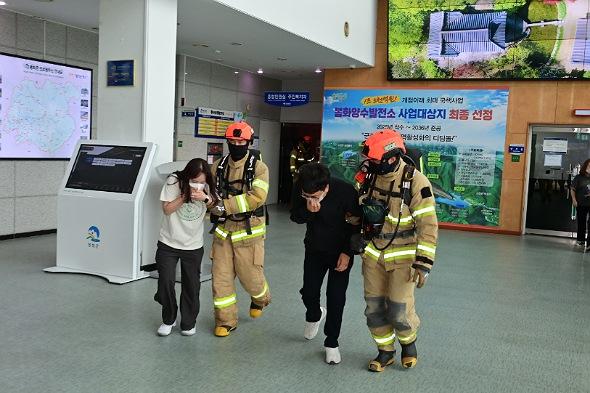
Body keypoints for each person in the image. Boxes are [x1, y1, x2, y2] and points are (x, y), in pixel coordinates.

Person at [354, 129, 438, 372]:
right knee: (374, 309)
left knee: (399, 309)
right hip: (373, 255)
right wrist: (356, 233)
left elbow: (428, 225)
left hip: (403, 258)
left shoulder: (416, 182)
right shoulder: (368, 177)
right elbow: (357, 208)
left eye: (374, 161)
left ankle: (408, 344)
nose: (368, 165)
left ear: (391, 158)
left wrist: (424, 262)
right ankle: (385, 351)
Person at [290, 163, 361, 365]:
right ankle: (314, 314)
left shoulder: (346, 191)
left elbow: (357, 225)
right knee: (309, 291)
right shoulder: (302, 188)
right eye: (307, 196)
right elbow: (295, 217)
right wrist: (308, 210)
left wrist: (348, 253)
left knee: (336, 297)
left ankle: (332, 342)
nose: (311, 199)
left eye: (315, 196)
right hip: (314, 248)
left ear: (326, 187)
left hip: (341, 251)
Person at [209, 121, 271, 337]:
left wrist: (224, 206)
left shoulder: (260, 168)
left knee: (252, 279)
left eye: (241, 141)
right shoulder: (217, 166)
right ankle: (226, 320)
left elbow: (257, 198)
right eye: (233, 141)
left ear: (248, 142)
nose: (236, 144)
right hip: (223, 231)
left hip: (248, 231)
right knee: (221, 279)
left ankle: (260, 299)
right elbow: (211, 194)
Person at [154, 158, 216, 336]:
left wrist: (205, 198)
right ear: (187, 177)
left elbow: (217, 209)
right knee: (165, 281)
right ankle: (168, 319)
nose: (197, 185)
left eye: (201, 182)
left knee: (192, 285)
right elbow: (166, 209)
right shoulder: (173, 181)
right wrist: (184, 196)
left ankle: (188, 322)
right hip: (168, 242)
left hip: (193, 245)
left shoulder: (208, 186)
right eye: (194, 181)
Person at [570, 159, 590, 249]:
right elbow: (572, 189)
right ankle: (580, 240)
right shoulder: (579, 177)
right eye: (589, 166)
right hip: (581, 203)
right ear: (585, 166)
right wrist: (574, 200)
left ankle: (589, 243)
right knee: (581, 222)